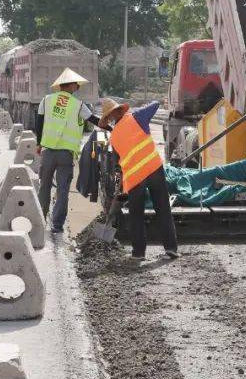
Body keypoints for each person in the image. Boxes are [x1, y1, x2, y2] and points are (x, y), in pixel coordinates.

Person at [98, 97, 179, 260]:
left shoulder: (113, 137)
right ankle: (171, 248)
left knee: (136, 215)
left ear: (110, 118)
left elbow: (117, 165)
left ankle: (138, 253)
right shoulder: (136, 117)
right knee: (163, 208)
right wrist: (139, 110)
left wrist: (119, 185)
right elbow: (155, 104)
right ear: (121, 110)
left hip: (135, 178)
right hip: (153, 169)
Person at [35, 68, 102, 234]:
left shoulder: (46, 100)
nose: (77, 88)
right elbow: (94, 121)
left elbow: (39, 123)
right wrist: (113, 127)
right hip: (65, 154)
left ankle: (40, 219)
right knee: (62, 190)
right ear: (71, 86)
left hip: (48, 151)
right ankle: (57, 226)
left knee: (44, 186)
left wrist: (38, 144)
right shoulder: (78, 105)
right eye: (77, 85)